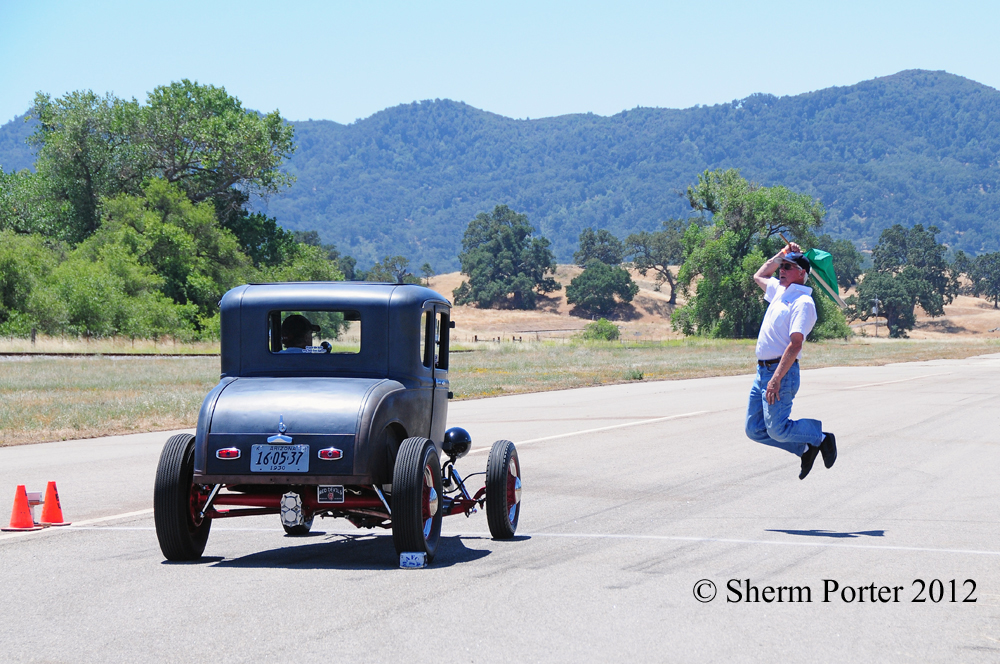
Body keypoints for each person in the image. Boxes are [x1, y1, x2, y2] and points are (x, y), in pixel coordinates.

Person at [745, 242, 837, 480]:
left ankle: (821, 437)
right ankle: (805, 449)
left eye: (787, 266)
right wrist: (781, 254)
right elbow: (759, 275)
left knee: (777, 429)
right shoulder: (779, 291)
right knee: (754, 430)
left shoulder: (803, 302)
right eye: (781, 266)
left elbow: (795, 344)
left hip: (781, 373)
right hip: (762, 372)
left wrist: (776, 379)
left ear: (802, 273)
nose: (780, 270)